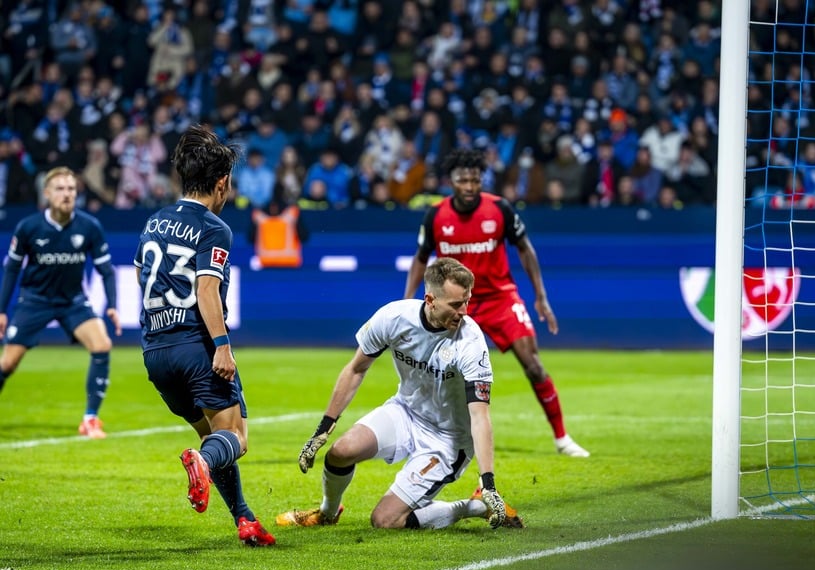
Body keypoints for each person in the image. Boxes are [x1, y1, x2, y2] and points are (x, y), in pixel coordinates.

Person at [276, 257, 522, 530]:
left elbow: (480, 417)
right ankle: (327, 513)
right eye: (455, 304)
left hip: (448, 440)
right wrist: (323, 428)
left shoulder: (471, 342)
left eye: (467, 302)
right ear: (430, 299)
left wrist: (488, 483)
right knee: (341, 451)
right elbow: (356, 369)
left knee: (385, 520)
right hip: (405, 412)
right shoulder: (394, 317)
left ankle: (476, 505)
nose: (464, 311)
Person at [133, 126, 274, 547]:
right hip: (196, 347)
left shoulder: (154, 220)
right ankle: (200, 463)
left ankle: (245, 519)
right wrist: (222, 346)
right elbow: (206, 289)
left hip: (156, 352)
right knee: (235, 439)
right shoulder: (215, 228)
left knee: (215, 439)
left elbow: (144, 276)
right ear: (221, 183)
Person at [403, 148, 590, 458]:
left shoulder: (500, 209)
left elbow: (525, 249)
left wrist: (540, 297)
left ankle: (562, 438)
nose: (469, 186)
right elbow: (420, 259)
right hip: (456, 305)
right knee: (439, 374)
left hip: (500, 298)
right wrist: (408, 301)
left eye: (475, 180)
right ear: (452, 181)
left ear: (481, 180)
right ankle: (432, 437)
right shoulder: (436, 215)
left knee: (533, 365)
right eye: (462, 180)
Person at [0, 167, 120, 439]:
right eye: (60, 189)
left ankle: (90, 419)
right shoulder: (28, 227)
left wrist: (112, 304)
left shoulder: (89, 227)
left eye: (71, 189)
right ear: (47, 193)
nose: (67, 194)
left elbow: (106, 270)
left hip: (72, 301)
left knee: (102, 344)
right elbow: (11, 270)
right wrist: (1, 311)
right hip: (34, 301)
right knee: (7, 364)